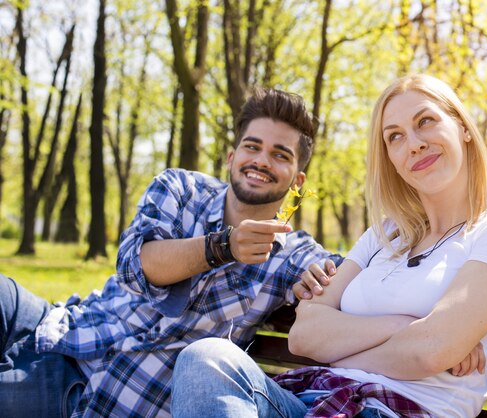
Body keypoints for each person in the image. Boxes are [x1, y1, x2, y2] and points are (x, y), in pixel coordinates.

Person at [171, 74, 487, 418]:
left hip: (395, 411)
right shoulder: (384, 235)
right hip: (320, 400)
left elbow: (429, 351)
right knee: (205, 359)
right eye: (395, 136)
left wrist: (344, 351)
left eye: (425, 121)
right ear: (391, 159)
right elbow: (305, 336)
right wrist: (406, 324)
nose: (414, 144)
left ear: (462, 127)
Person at [0, 87, 342, 418]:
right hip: (64, 325)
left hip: (85, 387)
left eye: (279, 155)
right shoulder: (180, 188)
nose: (261, 161)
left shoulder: (292, 256)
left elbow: (356, 276)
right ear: (232, 157)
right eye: (252, 147)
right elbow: (134, 267)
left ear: (297, 181)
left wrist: (322, 278)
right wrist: (225, 245)